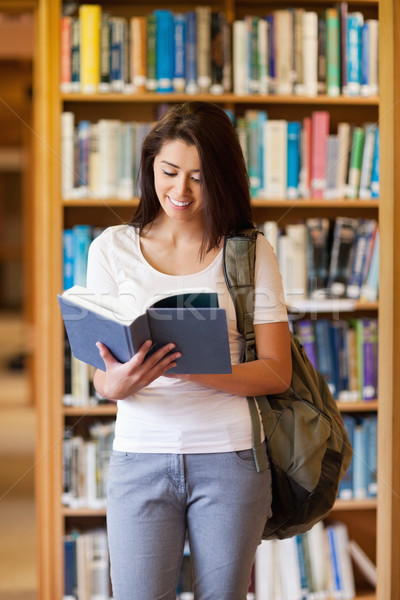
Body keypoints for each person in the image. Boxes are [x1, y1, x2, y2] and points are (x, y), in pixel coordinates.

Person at [87, 101, 292, 600]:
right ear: (150, 167)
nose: (180, 191)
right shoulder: (110, 249)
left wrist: (193, 370)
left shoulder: (248, 250)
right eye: (170, 172)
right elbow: (102, 376)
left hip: (230, 460)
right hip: (139, 456)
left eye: (199, 177)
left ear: (221, 178)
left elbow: (276, 372)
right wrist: (115, 384)